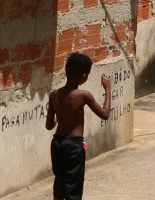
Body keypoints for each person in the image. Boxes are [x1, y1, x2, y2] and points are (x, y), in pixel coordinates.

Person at [45, 53, 112, 200]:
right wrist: (107, 89)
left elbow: (49, 125)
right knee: (73, 186)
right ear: (83, 76)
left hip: (57, 144)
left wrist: (57, 120)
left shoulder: (54, 95)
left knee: (60, 182)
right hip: (74, 146)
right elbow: (105, 114)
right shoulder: (83, 95)